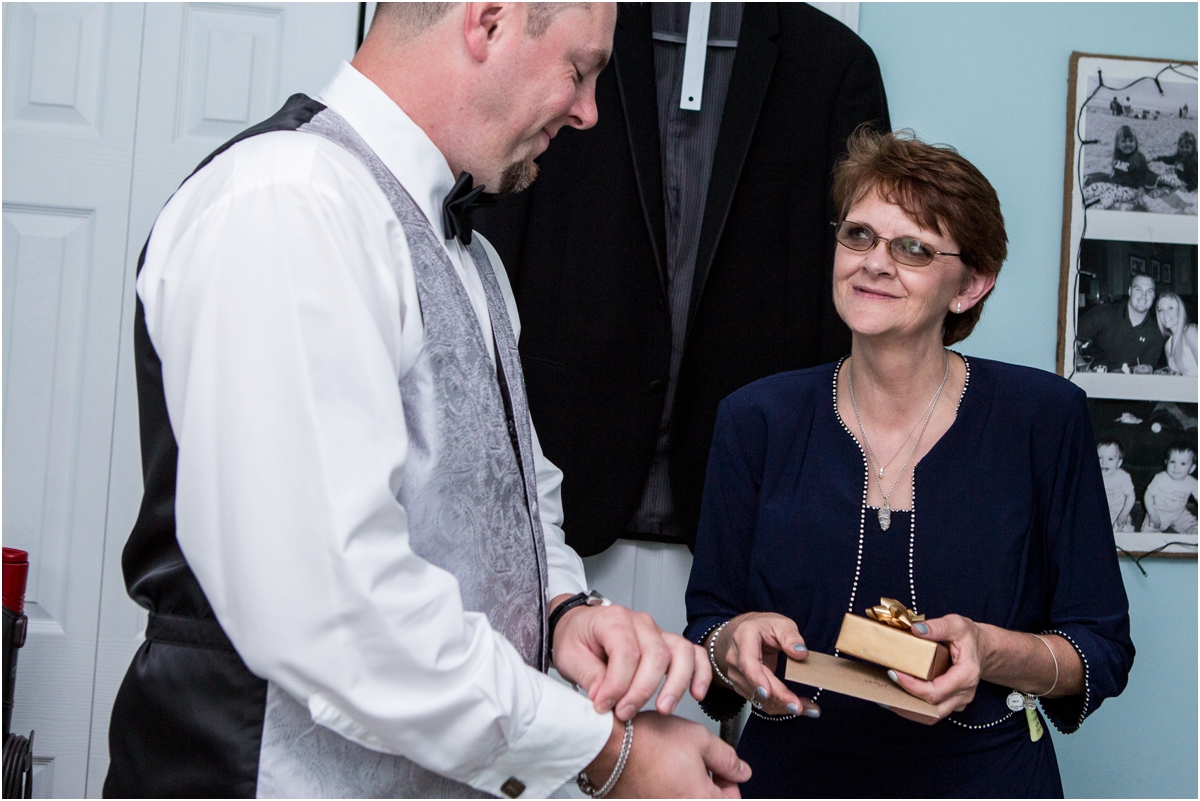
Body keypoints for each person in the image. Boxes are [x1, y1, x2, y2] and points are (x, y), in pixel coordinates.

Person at [105, 4, 750, 798]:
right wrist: (607, 751)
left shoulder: (475, 261)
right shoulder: (290, 201)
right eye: (579, 70)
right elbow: (333, 604)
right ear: (487, 22)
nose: (587, 111)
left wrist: (563, 612)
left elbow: (514, 500)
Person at [684, 129, 1134, 797]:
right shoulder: (756, 419)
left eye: (913, 248)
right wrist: (732, 641)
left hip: (989, 779)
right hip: (790, 777)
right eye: (859, 235)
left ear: (970, 285)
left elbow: (1101, 647)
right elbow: (708, 623)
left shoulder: (1043, 417)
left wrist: (989, 649)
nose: (874, 262)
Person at [476, 1, 888, 566]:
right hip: (558, 471)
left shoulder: (835, 66)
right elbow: (495, 223)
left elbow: (858, 285)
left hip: (746, 489)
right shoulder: (567, 36)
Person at [1077, 272, 1164, 373]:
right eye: (1138, 289)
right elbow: (1071, 338)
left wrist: (1148, 368)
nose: (1143, 296)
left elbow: (1146, 368)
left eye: (1149, 291)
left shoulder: (1156, 332)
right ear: (1130, 291)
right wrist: (1083, 367)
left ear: (1154, 296)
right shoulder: (1103, 313)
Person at [1082, 125, 1156, 209]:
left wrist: (1139, 195)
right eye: (1124, 141)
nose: (1128, 144)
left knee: (1111, 194)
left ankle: (1094, 209)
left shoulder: (1139, 158)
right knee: (1096, 187)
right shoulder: (1118, 155)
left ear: (1136, 143)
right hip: (1115, 185)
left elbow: (1142, 179)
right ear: (1117, 144)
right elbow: (1114, 175)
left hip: (1131, 190)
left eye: (1131, 141)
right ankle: (1079, 198)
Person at [1141, 444, 1199, 535]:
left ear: (1191, 468)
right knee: (1147, 534)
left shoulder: (1192, 482)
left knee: (1195, 527)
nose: (1176, 467)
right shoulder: (1160, 478)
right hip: (1159, 512)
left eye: (1183, 463)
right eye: (1172, 462)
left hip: (1180, 513)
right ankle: (1154, 536)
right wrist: (1152, 513)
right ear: (1166, 462)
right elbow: (1148, 495)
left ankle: (1192, 533)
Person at [1097, 438, 1136, 533]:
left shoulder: (1122, 477)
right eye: (1099, 458)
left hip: (1118, 513)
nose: (1103, 462)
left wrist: (1124, 514)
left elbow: (1131, 496)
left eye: (1110, 459)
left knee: (1124, 531)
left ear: (1119, 463)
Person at [1155, 291, 1198, 376]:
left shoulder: (1190, 332)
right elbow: (1178, 375)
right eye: (1161, 310)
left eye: (1170, 308)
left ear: (1179, 310)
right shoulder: (1168, 345)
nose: (1165, 314)